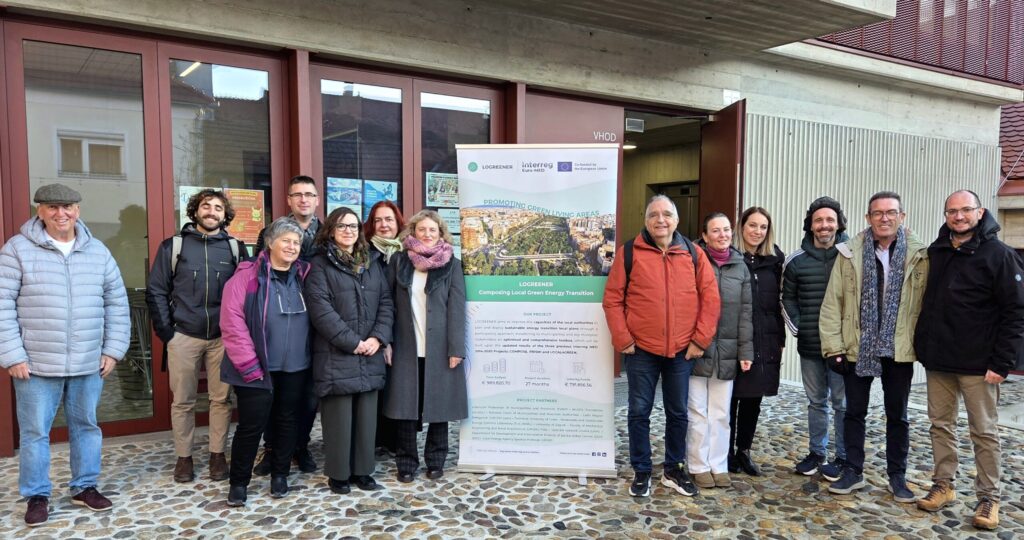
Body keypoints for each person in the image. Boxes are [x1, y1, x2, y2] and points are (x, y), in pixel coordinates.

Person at [0, 184, 130, 527]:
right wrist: (12, 354)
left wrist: (113, 350)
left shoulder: (97, 251)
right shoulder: (17, 250)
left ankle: (84, 486)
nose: (61, 214)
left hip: (88, 361)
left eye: (67, 206)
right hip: (36, 364)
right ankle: (37, 495)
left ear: (77, 210)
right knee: (34, 433)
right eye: (53, 207)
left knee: (86, 427)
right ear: (40, 211)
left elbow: (117, 303)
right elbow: (1, 305)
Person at [913, 190, 1024, 530]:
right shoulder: (938, 251)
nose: (959, 216)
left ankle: (989, 497)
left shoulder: (1000, 255)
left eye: (965, 210)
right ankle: (943, 484)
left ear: (980, 212)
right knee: (940, 425)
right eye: (952, 211)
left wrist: (1002, 362)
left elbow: (1016, 312)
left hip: (980, 364)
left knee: (984, 432)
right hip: (940, 360)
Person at [603, 195, 721, 498]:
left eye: (667, 214)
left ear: (676, 220)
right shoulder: (630, 252)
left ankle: (673, 469)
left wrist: (699, 341)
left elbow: (710, 299)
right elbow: (613, 299)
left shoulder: (693, 253)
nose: (660, 220)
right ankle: (641, 469)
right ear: (646, 221)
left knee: (678, 412)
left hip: (681, 350)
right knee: (639, 411)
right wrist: (623, 339)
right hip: (641, 350)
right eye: (653, 215)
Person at [819, 191, 928, 502]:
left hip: (898, 346)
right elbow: (833, 303)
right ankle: (853, 469)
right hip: (858, 344)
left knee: (898, 415)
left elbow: (926, 304)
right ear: (868, 218)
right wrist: (834, 347)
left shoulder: (920, 255)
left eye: (891, 212)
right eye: (877, 213)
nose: (884, 218)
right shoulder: (850, 253)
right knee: (854, 412)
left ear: (902, 216)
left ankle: (897, 475)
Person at [146, 189, 246, 483]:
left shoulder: (235, 248)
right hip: (184, 335)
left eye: (218, 208)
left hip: (222, 337)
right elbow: (156, 291)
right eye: (206, 206)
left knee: (221, 400)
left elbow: (246, 291)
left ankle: (217, 455)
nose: (211, 212)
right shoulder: (174, 246)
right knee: (183, 401)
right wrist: (168, 332)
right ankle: (184, 458)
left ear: (225, 215)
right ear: (195, 211)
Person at [219, 217, 312, 506]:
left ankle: (280, 475)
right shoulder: (246, 277)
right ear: (270, 243)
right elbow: (232, 323)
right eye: (286, 241)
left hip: (295, 366)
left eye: (296, 242)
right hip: (256, 368)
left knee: (287, 421)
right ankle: (238, 483)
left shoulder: (305, 275)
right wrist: (249, 365)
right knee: (251, 426)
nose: (292, 247)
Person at [306, 207, 394, 494]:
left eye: (353, 226)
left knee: (367, 419)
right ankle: (339, 474)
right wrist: (353, 342)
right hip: (336, 353)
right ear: (331, 230)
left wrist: (378, 338)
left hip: (370, 351)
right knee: (339, 419)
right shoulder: (319, 264)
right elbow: (321, 311)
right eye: (342, 226)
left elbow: (386, 303)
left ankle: (363, 471)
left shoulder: (371, 263)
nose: (348, 231)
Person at [384, 209, 467, 483]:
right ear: (413, 232)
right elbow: (387, 304)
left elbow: (456, 308)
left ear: (441, 233)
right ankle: (406, 463)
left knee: (439, 406)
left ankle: (435, 461)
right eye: (422, 229)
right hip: (406, 345)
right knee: (406, 408)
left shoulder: (452, 265)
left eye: (433, 230)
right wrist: (386, 341)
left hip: (439, 347)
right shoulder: (399, 262)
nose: (427, 234)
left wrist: (456, 348)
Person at [253, 175, 323, 476]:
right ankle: (271, 449)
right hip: (279, 322)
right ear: (289, 200)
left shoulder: (327, 234)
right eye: (297, 194)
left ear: (317, 200)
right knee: (274, 394)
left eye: (309, 194)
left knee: (308, 396)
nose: (303, 199)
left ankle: (300, 446)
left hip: (315, 322)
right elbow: (260, 272)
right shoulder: (271, 231)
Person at [781, 196, 849, 480]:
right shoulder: (795, 260)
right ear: (810, 225)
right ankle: (817, 453)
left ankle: (844, 457)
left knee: (842, 404)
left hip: (843, 348)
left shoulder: (851, 256)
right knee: (816, 402)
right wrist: (799, 328)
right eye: (818, 220)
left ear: (839, 224)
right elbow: (786, 299)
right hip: (810, 345)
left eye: (830, 220)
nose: (824, 225)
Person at [687, 212, 752, 489]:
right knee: (697, 411)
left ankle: (718, 465)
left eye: (726, 229)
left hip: (727, 349)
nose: (723, 235)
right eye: (716, 230)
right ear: (704, 235)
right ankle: (698, 465)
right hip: (696, 348)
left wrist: (745, 351)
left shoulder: (740, 266)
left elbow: (746, 313)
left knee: (721, 412)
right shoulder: (692, 260)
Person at [729, 207, 785, 476]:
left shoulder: (775, 260)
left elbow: (780, 303)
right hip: (736, 338)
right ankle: (726, 452)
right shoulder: (730, 257)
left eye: (763, 227)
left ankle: (744, 450)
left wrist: (780, 338)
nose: (757, 231)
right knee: (730, 398)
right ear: (741, 227)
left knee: (753, 398)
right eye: (752, 225)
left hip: (766, 337)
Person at [364, 199, 406, 457]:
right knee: (379, 386)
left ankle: (396, 440)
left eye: (388, 219)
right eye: (378, 220)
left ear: (398, 222)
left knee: (400, 386)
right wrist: (383, 338)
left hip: (406, 330)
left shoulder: (408, 251)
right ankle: (375, 439)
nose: (383, 225)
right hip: (376, 330)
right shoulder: (365, 253)